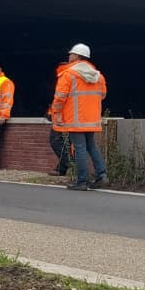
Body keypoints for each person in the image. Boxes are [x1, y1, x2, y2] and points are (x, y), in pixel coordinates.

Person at [49, 43, 107, 191]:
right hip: (92, 119)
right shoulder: (98, 75)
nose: (69, 56)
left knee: (80, 148)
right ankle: (102, 175)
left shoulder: (68, 74)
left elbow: (60, 97)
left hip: (75, 119)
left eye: (71, 54)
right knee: (91, 146)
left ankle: (82, 181)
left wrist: (54, 112)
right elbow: (103, 95)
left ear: (76, 56)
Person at [48, 60, 75, 175]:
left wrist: (53, 112)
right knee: (66, 143)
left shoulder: (65, 77)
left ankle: (67, 164)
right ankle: (62, 168)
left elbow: (60, 99)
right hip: (68, 117)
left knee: (56, 141)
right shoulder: (74, 77)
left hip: (62, 118)